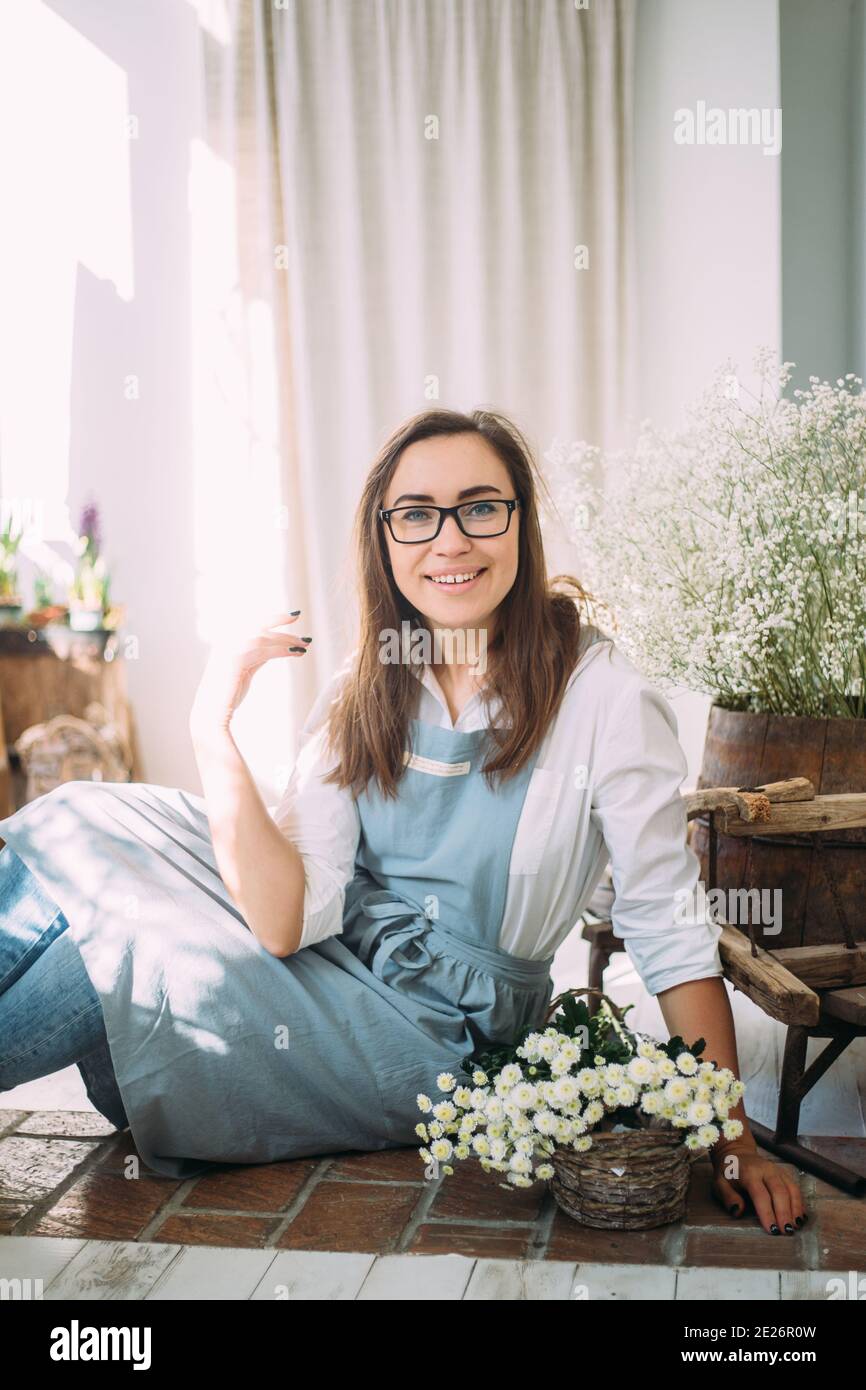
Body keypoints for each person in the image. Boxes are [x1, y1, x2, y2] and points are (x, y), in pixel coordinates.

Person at [0, 407, 805, 1236]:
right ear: (385, 540)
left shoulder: (600, 695)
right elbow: (287, 919)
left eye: (481, 508)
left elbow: (668, 929)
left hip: (437, 1038)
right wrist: (213, 724)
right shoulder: (368, 683)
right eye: (417, 515)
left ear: (520, 524)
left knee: (107, 931)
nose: (450, 541)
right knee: (87, 827)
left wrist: (733, 1144)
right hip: (326, 959)